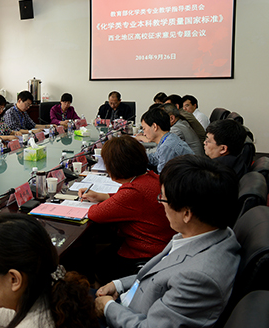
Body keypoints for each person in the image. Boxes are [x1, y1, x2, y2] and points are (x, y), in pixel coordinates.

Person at [96, 155, 240, 328]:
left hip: (125, 317)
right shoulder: (206, 233)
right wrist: (118, 284)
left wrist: (108, 307)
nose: (161, 204)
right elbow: (157, 275)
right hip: (131, 298)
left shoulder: (198, 278)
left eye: (163, 198)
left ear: (186, 214)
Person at [77, 136, 175, 283]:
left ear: (115, 167)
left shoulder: (134, 191)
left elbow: (95, 213)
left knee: (89, 261)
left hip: (144, 254)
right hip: (162, 248)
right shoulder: (151, 177)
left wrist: (101, 201)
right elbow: (129, 201)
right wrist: (102, 196)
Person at [138, 108, 193, 172]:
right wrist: (137, 155)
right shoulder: (168, 138)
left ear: (154, 126)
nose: (144, 134)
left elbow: (163, 175)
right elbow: (155, 158)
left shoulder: (167, 146)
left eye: (144, 129)